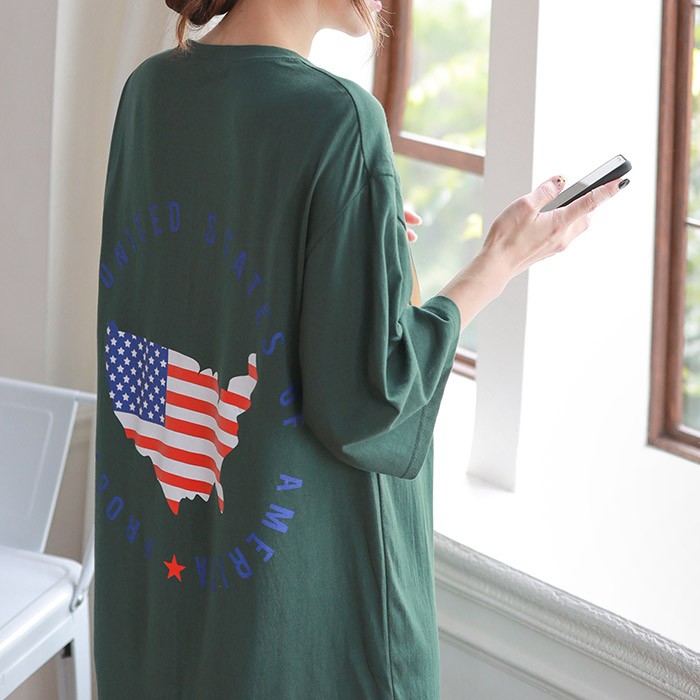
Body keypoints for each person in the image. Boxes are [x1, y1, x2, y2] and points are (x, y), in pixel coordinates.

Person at [94, 0, 626, 698]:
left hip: (171, 611)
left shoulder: (151, 89)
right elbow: (373, 398)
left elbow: (191, 301)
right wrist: (498, 261)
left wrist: (363, 251)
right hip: (291, 627)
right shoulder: (338, 118)